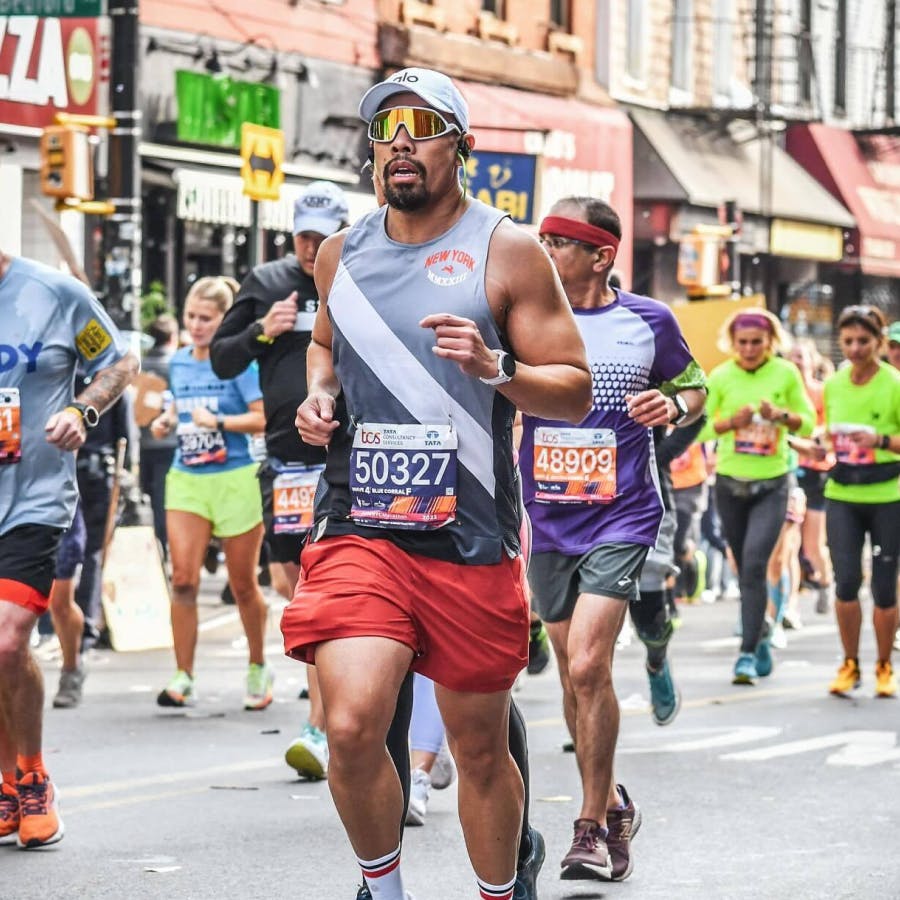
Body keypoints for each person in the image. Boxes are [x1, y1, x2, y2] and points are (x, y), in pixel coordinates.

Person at [282, 67, 592, 900]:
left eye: (421, 126)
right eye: (385, 130)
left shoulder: (509, 249)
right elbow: (323, 343)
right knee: (350, 725)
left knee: (478, 749)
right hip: (361, 525)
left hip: (471, 533)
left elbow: (573, 386)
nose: (401, 144)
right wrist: (320, 392)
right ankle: (382, 889)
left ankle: (501, 887)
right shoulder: (341, 254)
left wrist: (498, 369)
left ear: (460, 144)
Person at [518, 197, 706, 883]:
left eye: (560, 240)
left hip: (622, 513)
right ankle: (616, 803)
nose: (545, 248)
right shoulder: (526, 319)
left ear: (601, 255)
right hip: (547, 518)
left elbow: (695, 385)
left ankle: (591, 829)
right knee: (573, 671)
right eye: (541, 237)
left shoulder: (648, 321)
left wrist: (675, 404)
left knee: (591, 663)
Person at [210, 181, 349, 778]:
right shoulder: (266, 283)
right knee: (300, 588)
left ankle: (324, 726)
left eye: (325, 236)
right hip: (287, 460)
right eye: (305, 237)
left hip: (346, 458)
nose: (314, 248)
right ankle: (333, 712)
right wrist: (264, 329)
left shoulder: (360, 275)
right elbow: (221, 358)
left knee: (332, 589)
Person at [0, 250, 137, 848]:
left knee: (7, 638)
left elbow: (118, 362)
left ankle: (33, 776)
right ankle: (5, 787)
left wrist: (83, 410)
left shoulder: (56, 294)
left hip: (35, 500)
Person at [150, 276, 271, 710]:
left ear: (224, 321)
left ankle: (258, 665)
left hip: (236, 477)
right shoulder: (179, 363)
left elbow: (263, 418)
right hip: (187, 478)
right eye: (191, 317)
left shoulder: (238, 365)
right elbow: (179, 408)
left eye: (207, 318)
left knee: (242, 584)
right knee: (182, 579)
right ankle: (183, 675)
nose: (197, 326)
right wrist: (168, 420)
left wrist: (218, 423)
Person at [699, 309, 815, 685]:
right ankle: (760, 629)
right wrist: (731, 423)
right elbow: (698, 430)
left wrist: (780, 415)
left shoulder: (785, 373)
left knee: (753, 564)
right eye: (742, 342)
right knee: (741, 566)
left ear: (770, 343)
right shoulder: (721, 375)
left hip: (772, 484)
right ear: (732, 343)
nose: (749, 349)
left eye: (756, 342)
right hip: (730, 483)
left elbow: (809, 421)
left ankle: (746, 654)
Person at [822, 305, 900, 698]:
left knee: (885, 588)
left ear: (879, 342)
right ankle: (849, 663)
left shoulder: (894, 383)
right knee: (846, 581)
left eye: (863, 341)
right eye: (848, 341)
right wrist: (818, 444)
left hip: (888, 495)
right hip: (842, 494)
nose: (855, 349)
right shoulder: (834, 385)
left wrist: (882, 441)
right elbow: (828, 434)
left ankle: (884, 665)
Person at [138, 314, 179, 555]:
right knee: (168, 500)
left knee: (154, 497)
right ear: (172, 337)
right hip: (171, 443)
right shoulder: (177, 364)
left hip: (144, 443)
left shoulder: (142, 365)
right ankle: (170, 546)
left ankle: (160, 545)